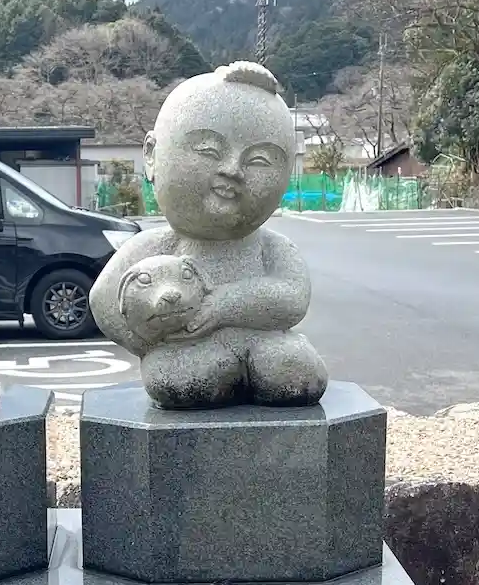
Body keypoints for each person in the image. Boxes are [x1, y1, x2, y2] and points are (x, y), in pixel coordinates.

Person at [89, 62, 327, 409]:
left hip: (265, 344)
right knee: (182, 379)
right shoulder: (155, 246)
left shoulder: (271, 247)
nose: (232, 170)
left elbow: (293, 296)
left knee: (294, 371)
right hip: (184, 352)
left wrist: (224, 305)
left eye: (259, 160)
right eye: (208, 151)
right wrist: (152, 343)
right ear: (152, 156)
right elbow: (104, 301)